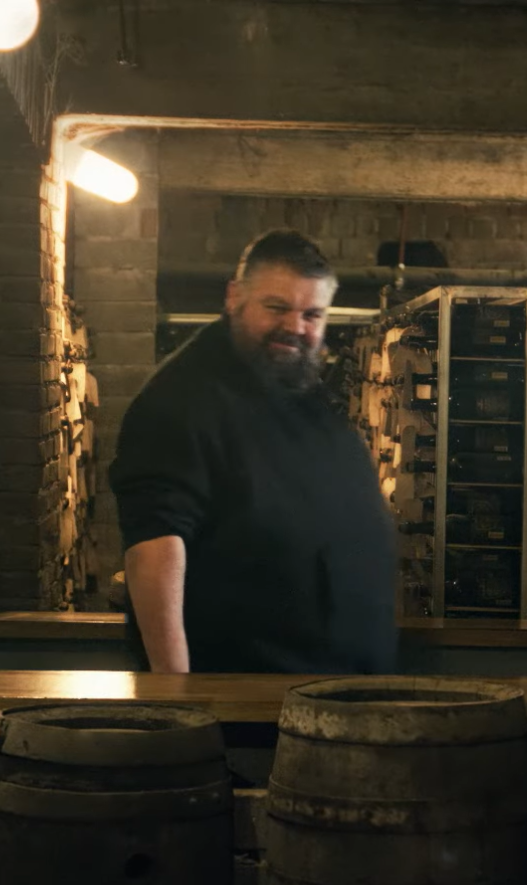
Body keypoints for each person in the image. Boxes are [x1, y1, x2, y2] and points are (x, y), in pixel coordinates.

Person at [108, 229, 398, 674]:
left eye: (312, 314)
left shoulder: (294, 385)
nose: (295, 327)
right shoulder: (181, 399)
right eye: (276, 308)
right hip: (250, 693)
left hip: (336, 687)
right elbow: (153, 549)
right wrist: (175, 695)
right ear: (234, 297)